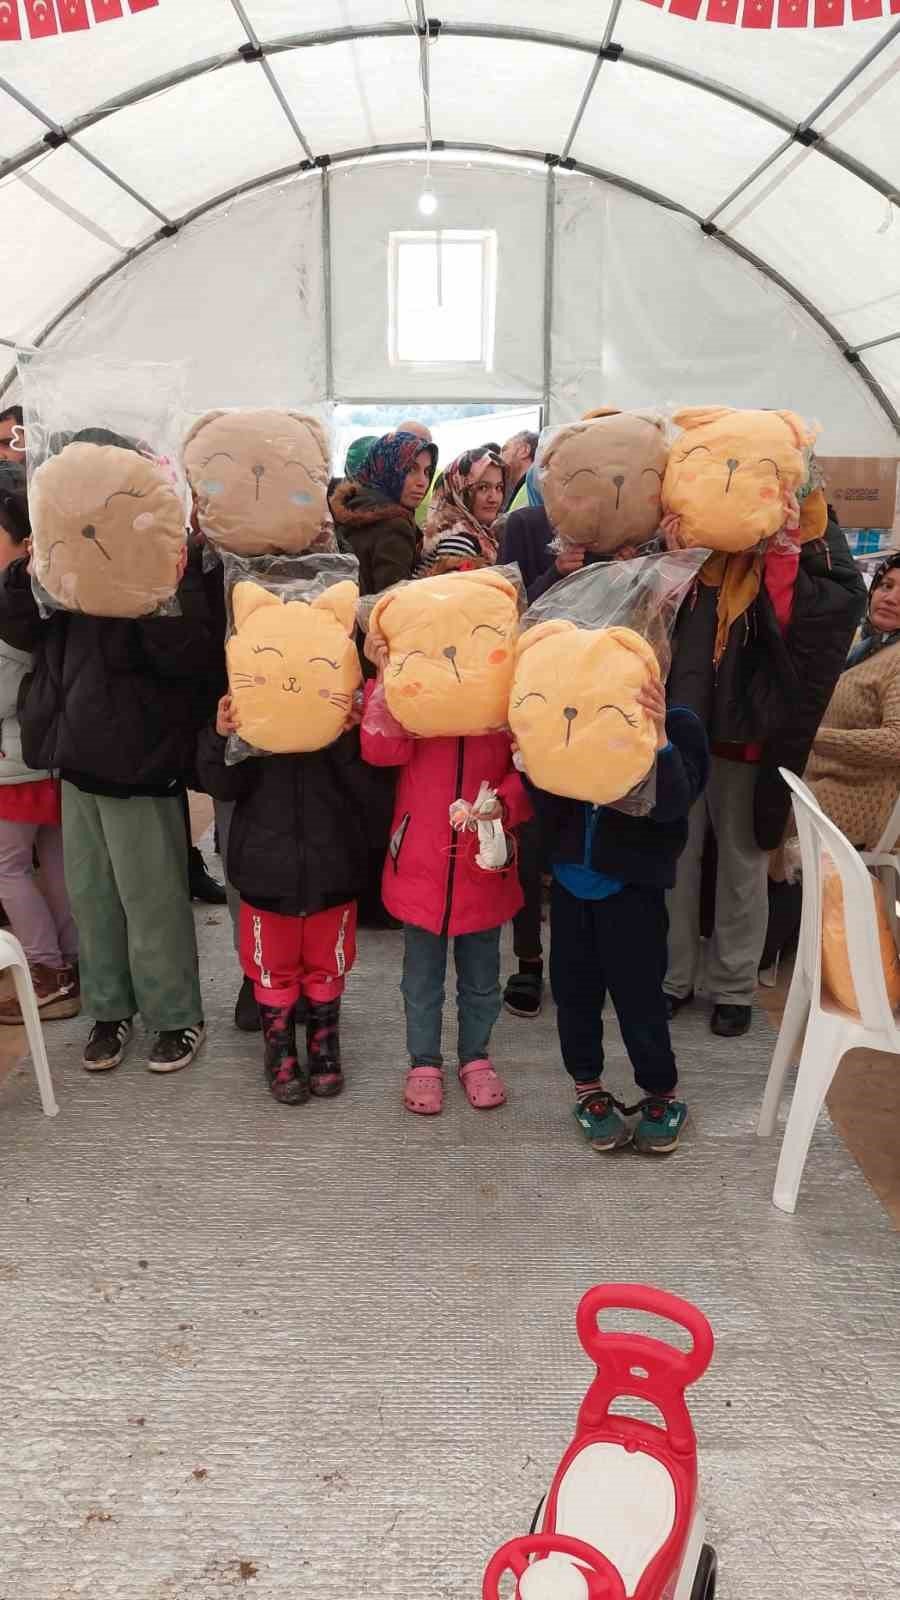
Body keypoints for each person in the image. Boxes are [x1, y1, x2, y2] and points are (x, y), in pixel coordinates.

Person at [0, 438, 212, 1075]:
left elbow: (195, 662)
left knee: (151, 896)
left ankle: (175, 1015)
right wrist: (26, 570)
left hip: (143, 761)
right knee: (92, 898)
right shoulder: (64, 562)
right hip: (73, 755)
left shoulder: (172, 557)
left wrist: (155, 592)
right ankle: (110, 1010)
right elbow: (19, 627)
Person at [664, 483, 866, 1038]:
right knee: (674, 861)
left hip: (749, 733)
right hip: (681, 726)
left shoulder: (811, 526)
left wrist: (783, 551)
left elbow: (826, 611)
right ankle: (672, 978)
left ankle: (731, 987)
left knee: (743, 863)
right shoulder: (693, 533)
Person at [524, 682, 708, 1155]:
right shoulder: (564, 714)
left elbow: (671, 807)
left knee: (640, 995)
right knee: (573, 992)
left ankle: (660, 1092)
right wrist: (528, 762)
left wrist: (661, 738)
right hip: (570, 884)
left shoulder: (678, 724)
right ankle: (587, 1085)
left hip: (634, 890)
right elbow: (548, 806)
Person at [360, 613, 531, 1117]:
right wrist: (386, 676)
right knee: (421, 977)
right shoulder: (416, 698)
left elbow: (531, 767)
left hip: (484, 862)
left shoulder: (505, 703)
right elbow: (378, 748)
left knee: (482, 977)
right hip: (422, 866)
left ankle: (475, 1057)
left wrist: (504, 800)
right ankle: (424, 1062)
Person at [196, 692, 373, 1105]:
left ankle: (324, 1047)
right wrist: (221, 735)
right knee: (272, 968)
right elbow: (220, 782)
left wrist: (350, 735)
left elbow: (370, 787)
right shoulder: (253, 699)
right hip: (265, 871)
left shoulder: (340, 700)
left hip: (333, 867)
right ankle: (280, 1052)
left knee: (328, 963)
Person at [0, 465, 79, 1024]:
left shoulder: (12, 606)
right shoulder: (50, 590)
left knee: (7, 867)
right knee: (53, 859)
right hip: (47, 756)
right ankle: (75, 963)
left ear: (23, 542)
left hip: (13, 761)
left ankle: (45, 971)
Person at [801, 551, 900, 848]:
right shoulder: (860, 643)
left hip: (854, 808)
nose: (891, 598)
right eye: (887, 585)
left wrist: (814, 738)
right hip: (817, 790)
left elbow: (896, 741)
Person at [330, 431, 438, 597]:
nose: (422, 481)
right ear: (388, 467)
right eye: (411, 469)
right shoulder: (395, 526)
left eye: (426, 471)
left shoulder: (353, 503)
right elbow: (393, 604)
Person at [418, 447, 505, 571]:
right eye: (483, 488)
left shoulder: (478, 532)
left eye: (499, 488)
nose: (494, 498)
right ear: (459, 489)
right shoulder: (459, 541)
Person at [501, 430, 538, 513]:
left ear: (524, 450)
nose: (500, 458)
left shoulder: (533, 488)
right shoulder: (528, 488)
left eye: (504, 450)